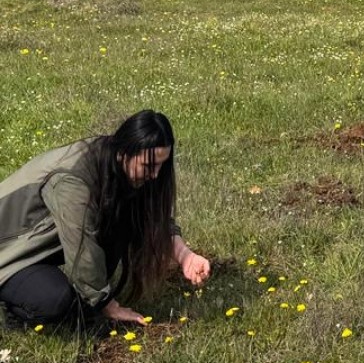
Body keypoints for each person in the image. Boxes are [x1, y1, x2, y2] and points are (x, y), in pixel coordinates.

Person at [0, 110, 210, 330]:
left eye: (161, 166)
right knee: (56, 301)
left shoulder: (117, 165)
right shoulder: (73, 181)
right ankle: (15, 310)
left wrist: (185, 256)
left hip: (36, 246)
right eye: (148, 167)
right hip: (8, 254)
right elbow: (82, 245)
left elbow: (150, 218)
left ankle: (87, 301)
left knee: (119, 221)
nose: (155, 175)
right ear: (124, 152)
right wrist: (107, 305)